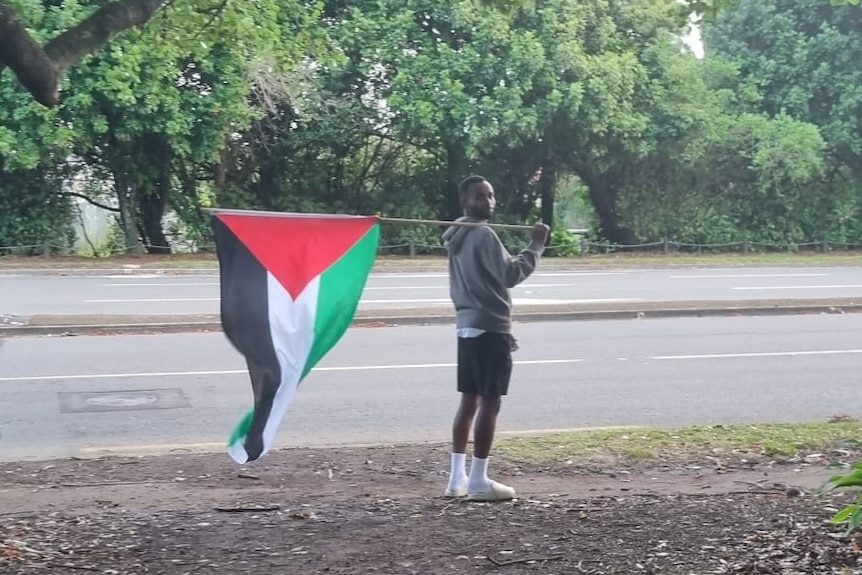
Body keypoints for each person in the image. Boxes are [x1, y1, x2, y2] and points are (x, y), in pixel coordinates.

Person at [441, 174, 550, 501]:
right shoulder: (482, 234)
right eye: (479, 196)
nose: (487, 202)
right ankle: (478, 480)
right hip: (487, 328)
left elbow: (484, 285)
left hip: (469, 326)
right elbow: (510, 275)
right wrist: (536, 244)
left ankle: (456, 479)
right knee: (490, 402)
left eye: (490, 196)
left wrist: (501, 327)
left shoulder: (457, 234)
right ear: (465, 201)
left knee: (470, 399)